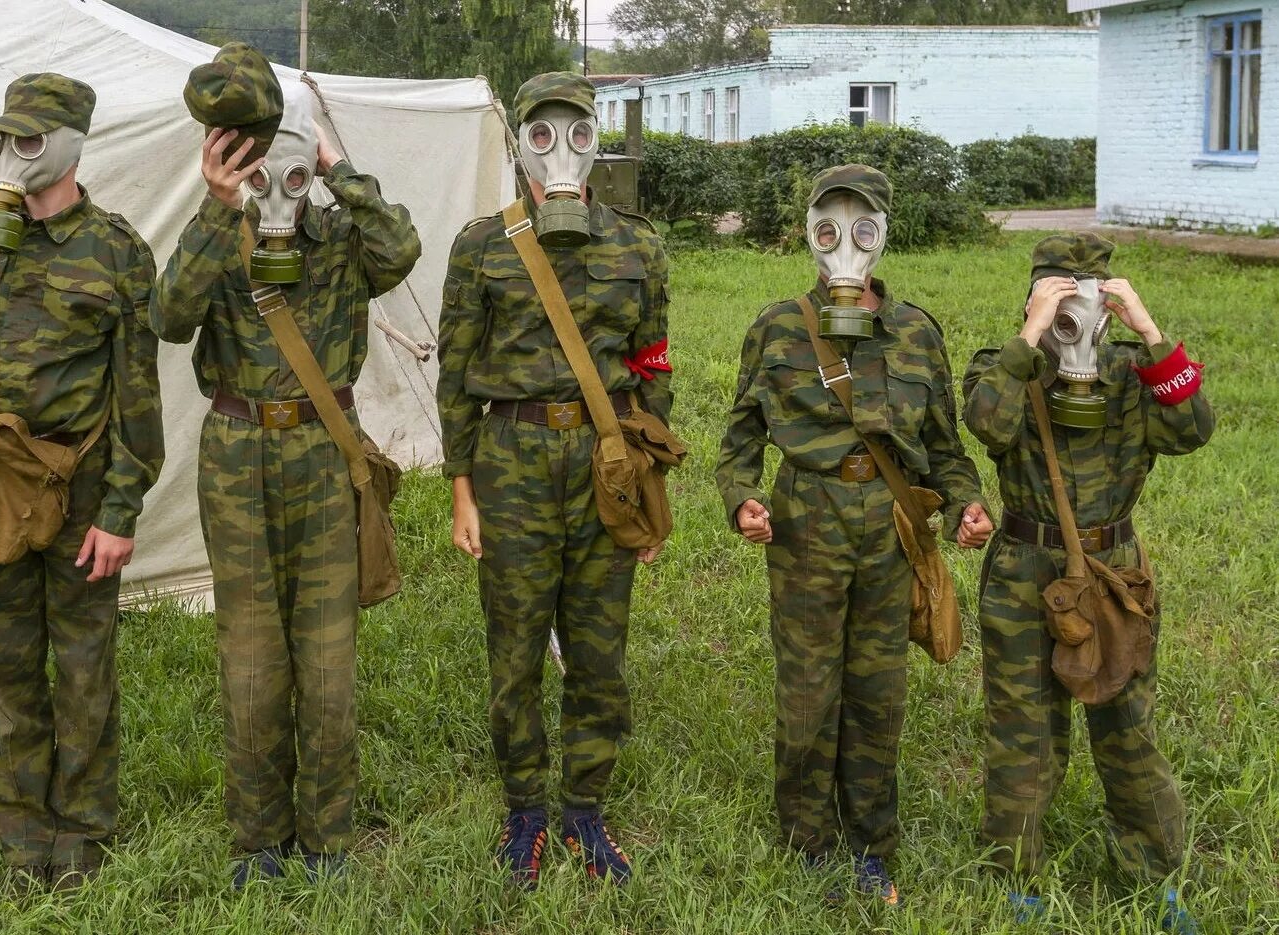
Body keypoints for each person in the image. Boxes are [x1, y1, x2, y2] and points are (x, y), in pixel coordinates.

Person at [150, 45, 421, 887]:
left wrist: (336, 170)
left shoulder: (338, 234)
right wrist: (213, 206)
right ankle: (257, 839)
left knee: (328, 654)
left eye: (263, 146)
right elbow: (168, 315)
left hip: (322, 447)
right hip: (236, 451)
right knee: (251, 653)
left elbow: (402, 250)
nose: (256, 165)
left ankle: (329, 838)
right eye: (234, 148)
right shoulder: (217, 235)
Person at [714, 164, 991, 905]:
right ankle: (809, 841)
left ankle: (871, 844)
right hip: (807, 523)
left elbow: (946, 445)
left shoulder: (916, 331)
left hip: (891, 531)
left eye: (861, 228)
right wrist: (743, 498)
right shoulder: (777, 327)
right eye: (829, 227)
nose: (845, 245)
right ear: (810, 233)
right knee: (809, 691)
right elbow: (740, 436)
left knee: (877, 693)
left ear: (882, 236)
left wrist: (966, 503)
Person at [0, 73, 163, 889]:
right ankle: (23, 830)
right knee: (7, 661)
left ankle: (84, 831)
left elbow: (139, 398)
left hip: (82, 486)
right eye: (3, 138)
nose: (11, 155)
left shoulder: (117, 248)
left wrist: (121, 511)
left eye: (28, 139)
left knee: (85, 664)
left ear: (69, 144)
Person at [438, 71, 671, 890]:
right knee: (515, 646)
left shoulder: (637, 245)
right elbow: (458, 375)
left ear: (596, 139)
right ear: (521, 146)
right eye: (542, 135)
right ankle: (524, 809)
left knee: (600, 649)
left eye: (575, 132)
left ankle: (584, 808)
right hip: (512, 458)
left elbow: (651, 371)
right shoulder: (482, 246)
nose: (559, 152)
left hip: (605, 467)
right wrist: (462, 489)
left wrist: (648, 491)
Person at [963, 233, 1211, 932]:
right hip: (1023, 568)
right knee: (1024, 730)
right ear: (1036, 297)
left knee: (1128, 725)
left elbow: (1192, 429)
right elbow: (989, 423)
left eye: (1087, 300)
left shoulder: (1136, 370)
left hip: (1113, 574)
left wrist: (1151, 334)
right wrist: (1031, 335)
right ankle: (1015, 875)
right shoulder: (1006, 365)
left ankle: (1155, 873)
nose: (1076, 317)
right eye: (1058, 298)